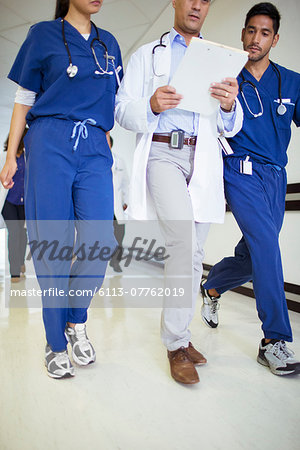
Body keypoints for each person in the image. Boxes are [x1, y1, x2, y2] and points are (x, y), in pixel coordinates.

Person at [115, 0, 243, 384]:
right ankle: (175, 344)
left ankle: (182, 337)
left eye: (205, 0)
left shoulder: (218, 58)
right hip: (162, 152)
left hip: (202, 154)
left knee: (196, 252)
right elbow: (121, 110)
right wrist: (151, 105)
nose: (197, 5)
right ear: (175, 1)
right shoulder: (146, 55)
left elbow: (230, 125)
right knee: (183, 246)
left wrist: (228, 105)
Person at [0, 0, 123, 379]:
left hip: (95, 145)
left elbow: (116, 103)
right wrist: (10, 157)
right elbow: (23, 101)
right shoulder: (43, 34)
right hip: (49, 140)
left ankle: (75, 320)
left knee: (100, 242)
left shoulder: (110, 44)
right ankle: (55, 343)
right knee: (52, 246)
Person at [201, 2, 300, 376]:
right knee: (266, 246)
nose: (255, 38)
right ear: (242, 33)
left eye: (264, 33)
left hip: (275, 176)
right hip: (238, 171)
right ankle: (274, 341)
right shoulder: (226, 78)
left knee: (252, 256)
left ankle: (212, 287)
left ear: (275, 39)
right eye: (250, 30)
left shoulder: (291, 81)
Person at [0, 132, 27, 282]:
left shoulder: (28, 158)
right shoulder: (5, 158)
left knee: (22, 235)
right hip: (9, 202)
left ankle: (20, 262)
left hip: (24, 204)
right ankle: (14, 272)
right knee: (14, 233)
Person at [109, 136, 129, 273]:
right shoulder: (95, 160)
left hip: (116, 206)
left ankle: (115, 262)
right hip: (101, 205)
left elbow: (126, 184)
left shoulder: (119, 161)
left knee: (119, 234)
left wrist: (126, 201)